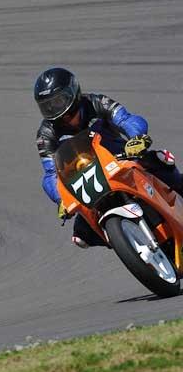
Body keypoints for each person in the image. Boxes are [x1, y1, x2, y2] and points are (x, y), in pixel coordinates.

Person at [34, 67, 183, 248]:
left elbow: (126, 119)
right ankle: (128, 243)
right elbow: (50, 173)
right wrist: (60, 199)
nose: (54, 110)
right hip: (88, 181)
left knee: (161, 161)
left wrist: (135, 138)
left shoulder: (96, 102)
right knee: (80, 237)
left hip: (123, 158)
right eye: (47, 106)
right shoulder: (46, 134)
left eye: (58, 102)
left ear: (73, 92)